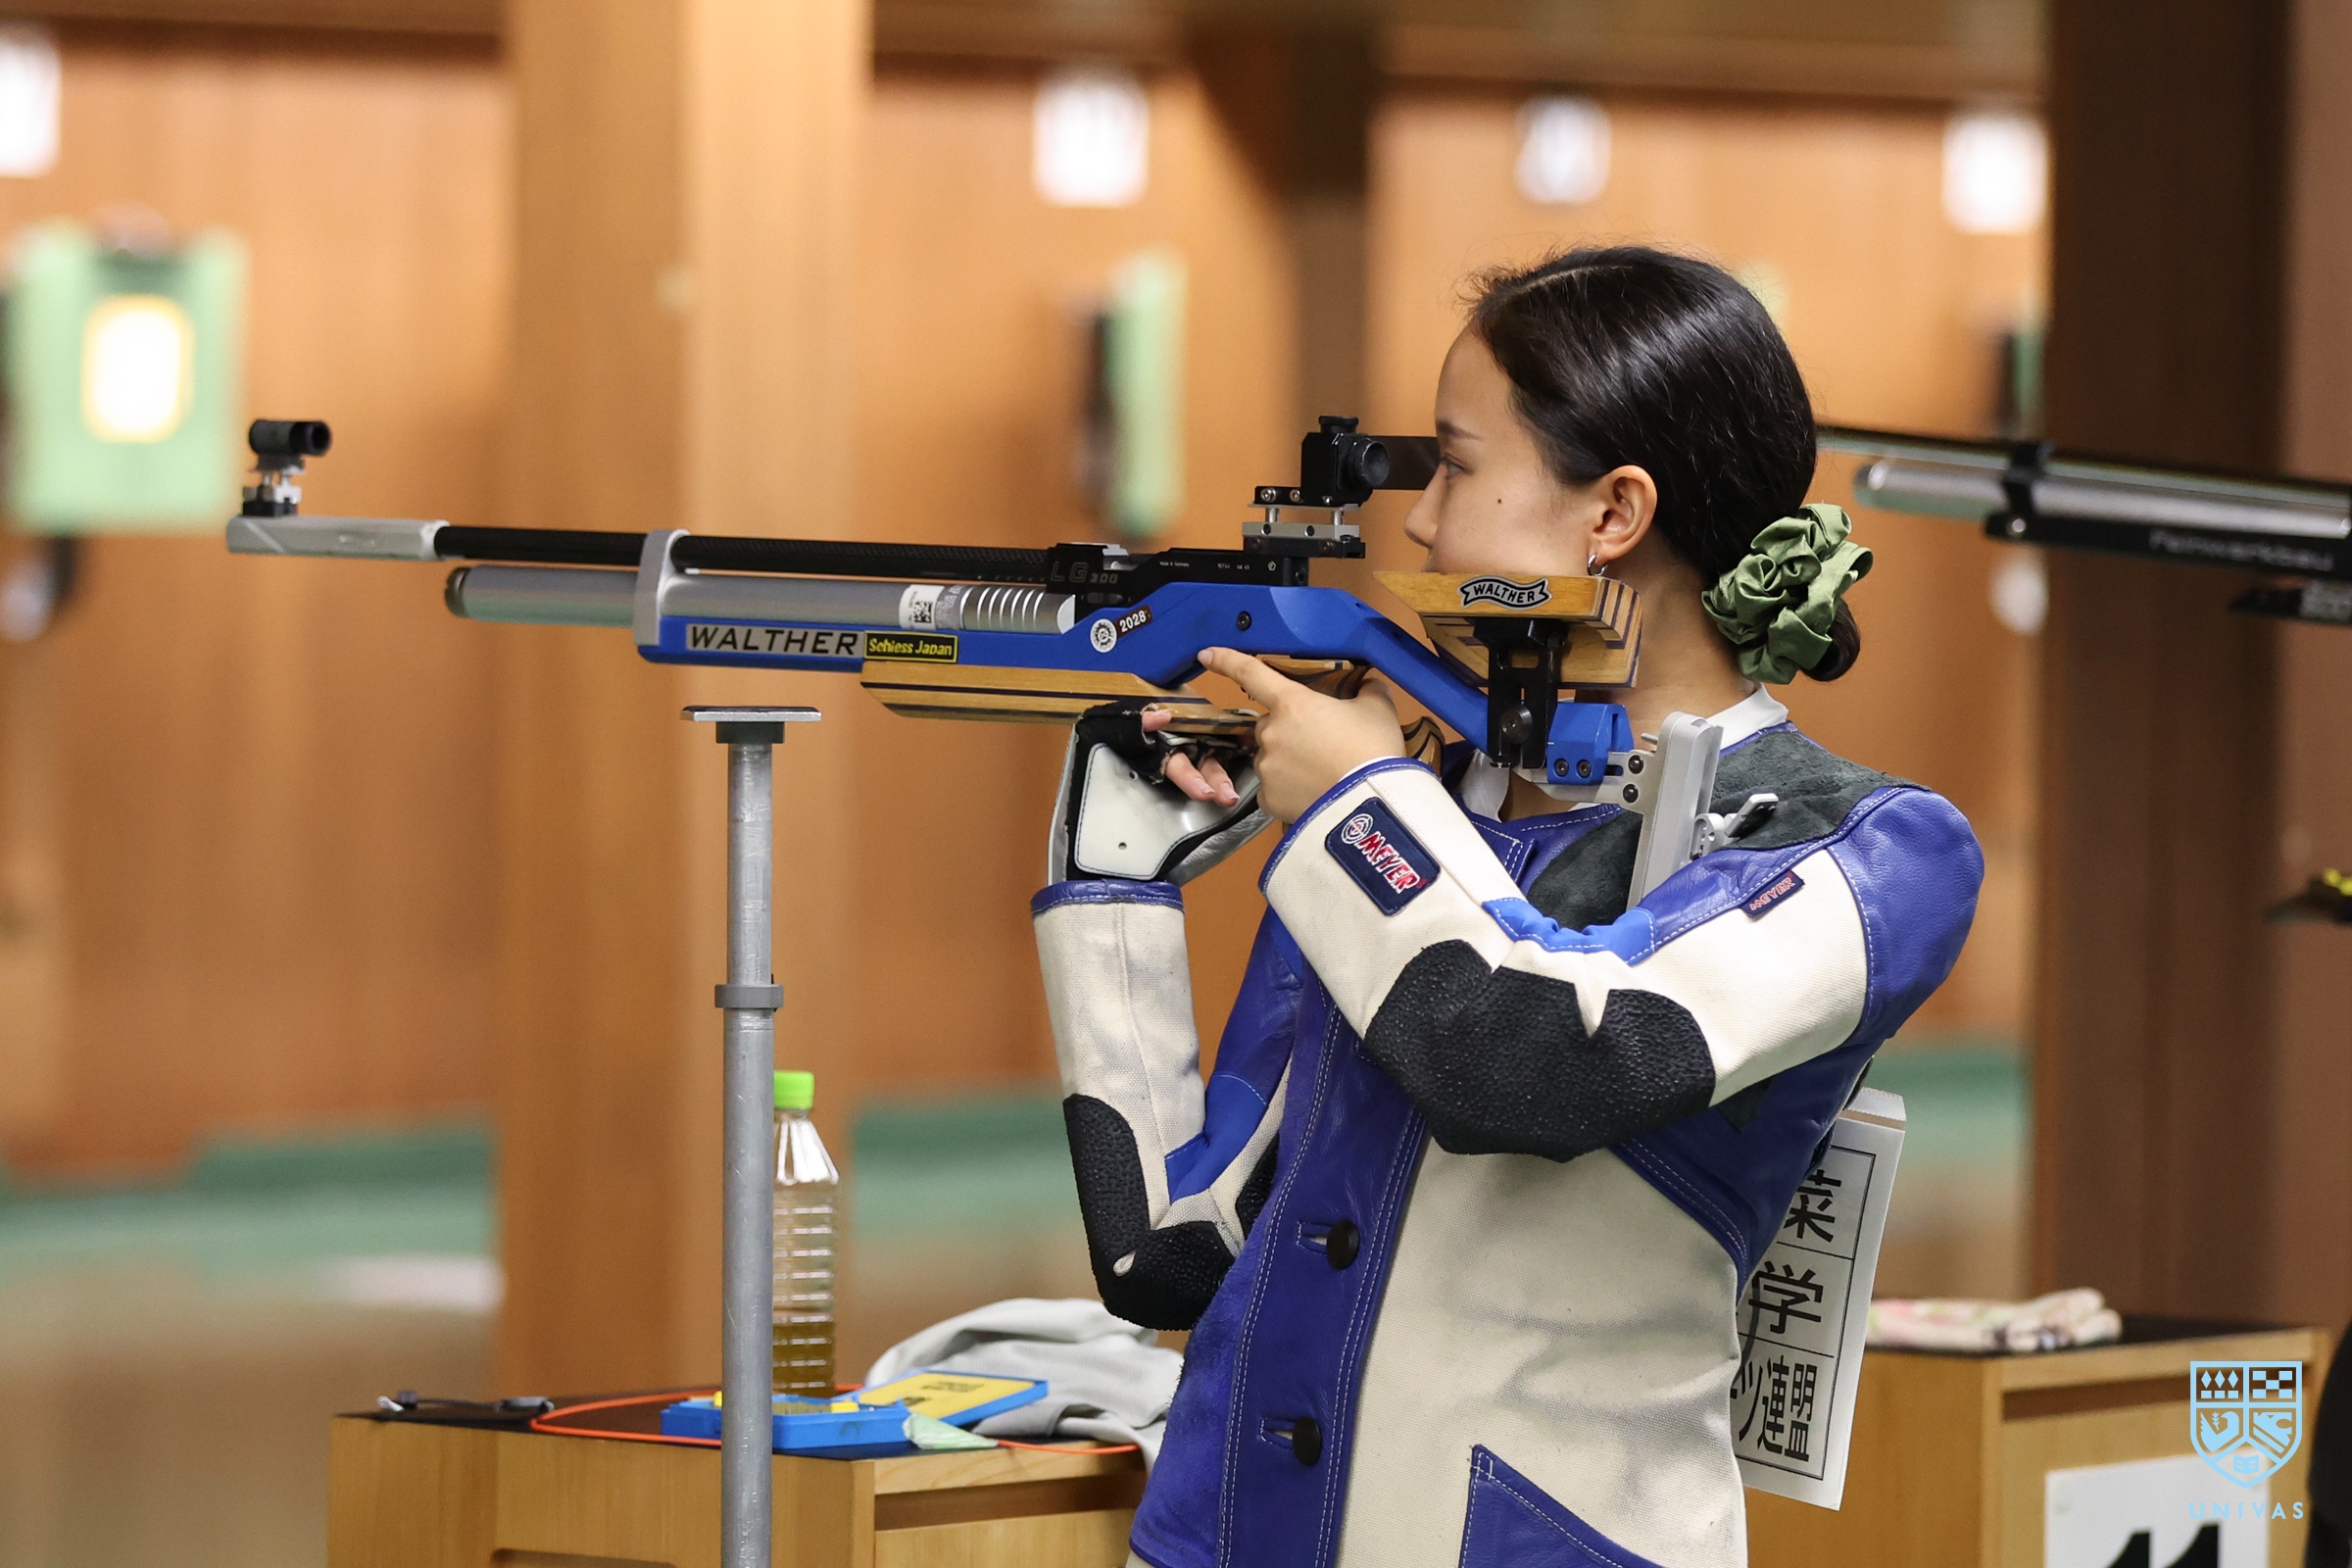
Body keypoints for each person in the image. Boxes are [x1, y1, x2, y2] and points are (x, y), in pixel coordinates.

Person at [1030, 245, 1984, 1568]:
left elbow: (1535, 1059)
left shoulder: (1869, 849)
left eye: (1456, 465)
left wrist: (1357, 804)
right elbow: (1173, 1255)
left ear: (1614, 513)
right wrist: (1115, 883)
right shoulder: (1422, 809)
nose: (1420, 522)